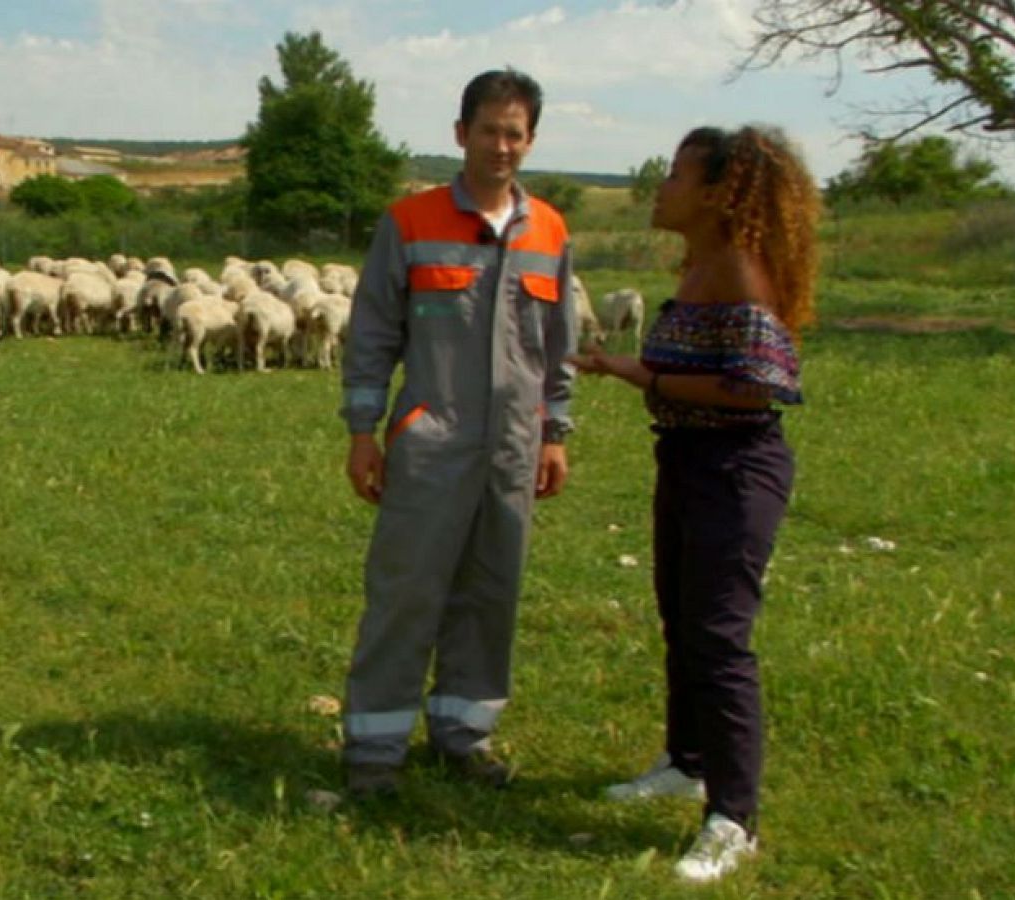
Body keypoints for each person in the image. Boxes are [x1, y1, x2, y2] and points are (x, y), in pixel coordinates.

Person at [570, 124, 819, 882]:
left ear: (719, 193)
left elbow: (761, 385)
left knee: (719, 638)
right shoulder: (701, 263)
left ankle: (734, 818)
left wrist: (641, 378)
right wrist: (620, 366)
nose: (662, 188)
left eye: (677, 175)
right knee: (681, 616)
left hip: (734, 469)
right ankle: (686, 762)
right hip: (685, 459)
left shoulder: (741, 270)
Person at [338, 68, 577, 797]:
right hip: (431, 440)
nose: (501, 145)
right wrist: (363, 429)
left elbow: (557, 342)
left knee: (491, 591)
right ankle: (375, 752)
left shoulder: (552, 231)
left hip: (514, 445)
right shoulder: (410, 222)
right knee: (407, 590)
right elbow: (373, 331)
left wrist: (555, 431)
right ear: (460, 133)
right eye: (488, 129)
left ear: (529, 140)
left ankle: (462, 734)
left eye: (515, 132)